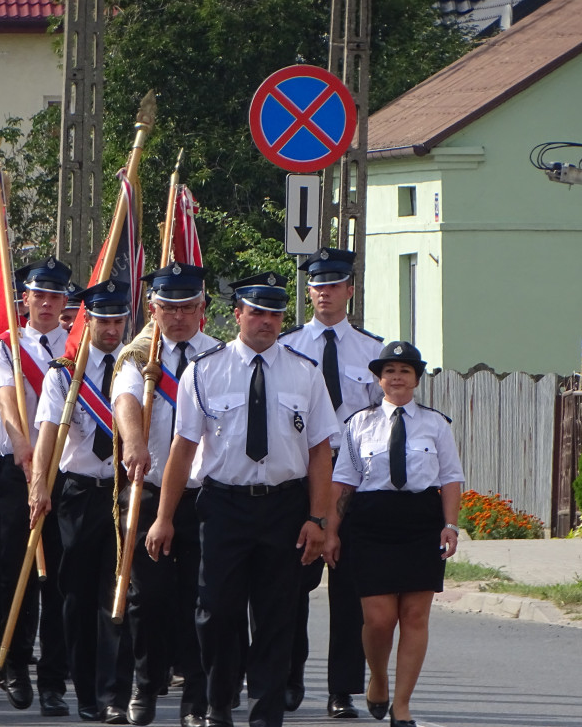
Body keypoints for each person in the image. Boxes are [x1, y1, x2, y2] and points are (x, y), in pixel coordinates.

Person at [145, 271, 338, 727]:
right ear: (238, 316)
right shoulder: (205, 370)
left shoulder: (305, 373)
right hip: (224, 504)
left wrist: (319, 518)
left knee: (276, 616)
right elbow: (183, 447)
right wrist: (164, 517)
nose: (267, 322)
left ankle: (266, 714)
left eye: (274, 314)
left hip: (284, 506)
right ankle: (217, 703)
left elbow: (320, 452)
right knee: (215, 611)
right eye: (257, 313)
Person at [323, 342, 463, 727]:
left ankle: (402, 706)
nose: (397, 377)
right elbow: (343, 484)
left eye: (405, 370)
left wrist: (450, 526)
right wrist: (331, 533)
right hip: (370, 522)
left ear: (416, 378)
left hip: (420, 520)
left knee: (415, 616)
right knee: (380, 619)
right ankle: (379, 677)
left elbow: (450, 477)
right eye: (389, 371)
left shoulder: (436, 424)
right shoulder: (358, 423)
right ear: (379, 379)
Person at [279, 248, 383, 718]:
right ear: (308, 291)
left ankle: (342, 690)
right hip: (301, 477)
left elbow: (383, 421)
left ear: (350, 291)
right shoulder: (288, 346)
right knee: (290, 586)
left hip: (352, 481)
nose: (324, 292)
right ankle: (288, 672)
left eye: (334, 284)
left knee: (349, 595)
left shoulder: (372, 350)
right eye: (317, 285)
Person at [112, 263, 217, 727]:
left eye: (187, 308)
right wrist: (133, 442)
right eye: (168, 308)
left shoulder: (219, 357)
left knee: (202, 601)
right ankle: (146, 683)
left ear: (202, 310)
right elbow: (126, 400)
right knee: (148, 598)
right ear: (152, 309)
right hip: (147, 491)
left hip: (205, 496)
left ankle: (197, 698)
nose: (177, 317)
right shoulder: (138, 356)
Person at [29, 279, 134, 725]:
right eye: (103, 320)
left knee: (117, 594)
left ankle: (113, 693)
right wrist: (38, 485)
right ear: (87, 320)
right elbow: (48, 435)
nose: (111, 329)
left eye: (117, 320)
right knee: (73, 594)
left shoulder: (138, 368)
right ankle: (83, 689)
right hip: (76, 493)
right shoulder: (64, 372)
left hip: (122, 492)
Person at [0, 256, 70, 716]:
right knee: (17, 570)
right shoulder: (7, 346)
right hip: (23, 468)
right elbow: (8, 403)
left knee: (58, 577)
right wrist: (24, 451)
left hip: (69, 473)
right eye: (41, 295)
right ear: (26, 299)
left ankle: (54, 678)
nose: (48, 303)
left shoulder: (81, 344)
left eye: (56, 295)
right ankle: (13, 661)